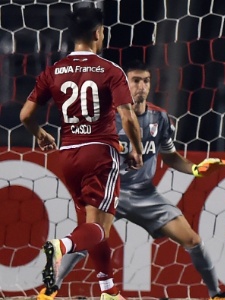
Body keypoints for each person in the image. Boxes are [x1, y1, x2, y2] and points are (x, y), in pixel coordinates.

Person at [45, 60, 225, 300]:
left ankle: (216, 294)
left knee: (192, 238)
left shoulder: (160, 118)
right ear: (124, 84)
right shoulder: (105, 117)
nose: (141, 86)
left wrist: (196, 169)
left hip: (145, 194)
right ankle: (49, 290)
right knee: (90, 238)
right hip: (111, 191)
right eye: (135, 81)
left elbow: (170, 157)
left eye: (145, 81)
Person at [19, 7, 143, 300]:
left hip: (68, 155)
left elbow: (26, 114)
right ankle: (61, 246)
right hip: (100, 152)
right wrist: (136, 150)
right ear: (99, 33)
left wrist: (40, 134)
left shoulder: (53, 71)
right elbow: (127, 117)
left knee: (93, 226)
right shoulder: (111, 70)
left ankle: (108, 291)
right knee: (99, 228)